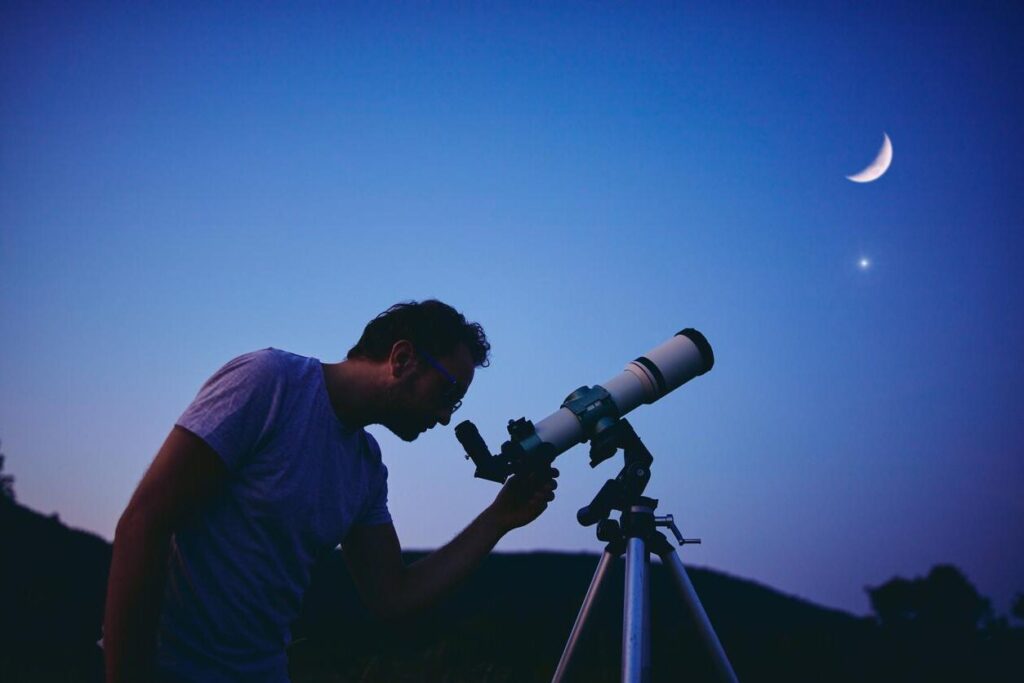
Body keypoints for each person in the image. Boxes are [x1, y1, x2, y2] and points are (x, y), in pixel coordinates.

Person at [102, 300, 558, 683]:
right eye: (446, 392)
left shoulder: (366, 467)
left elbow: (392, 596)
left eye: (455, 403)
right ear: (402, 360)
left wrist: (499, 518)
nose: (445, 416)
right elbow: (145, 521)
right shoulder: (269, 382)